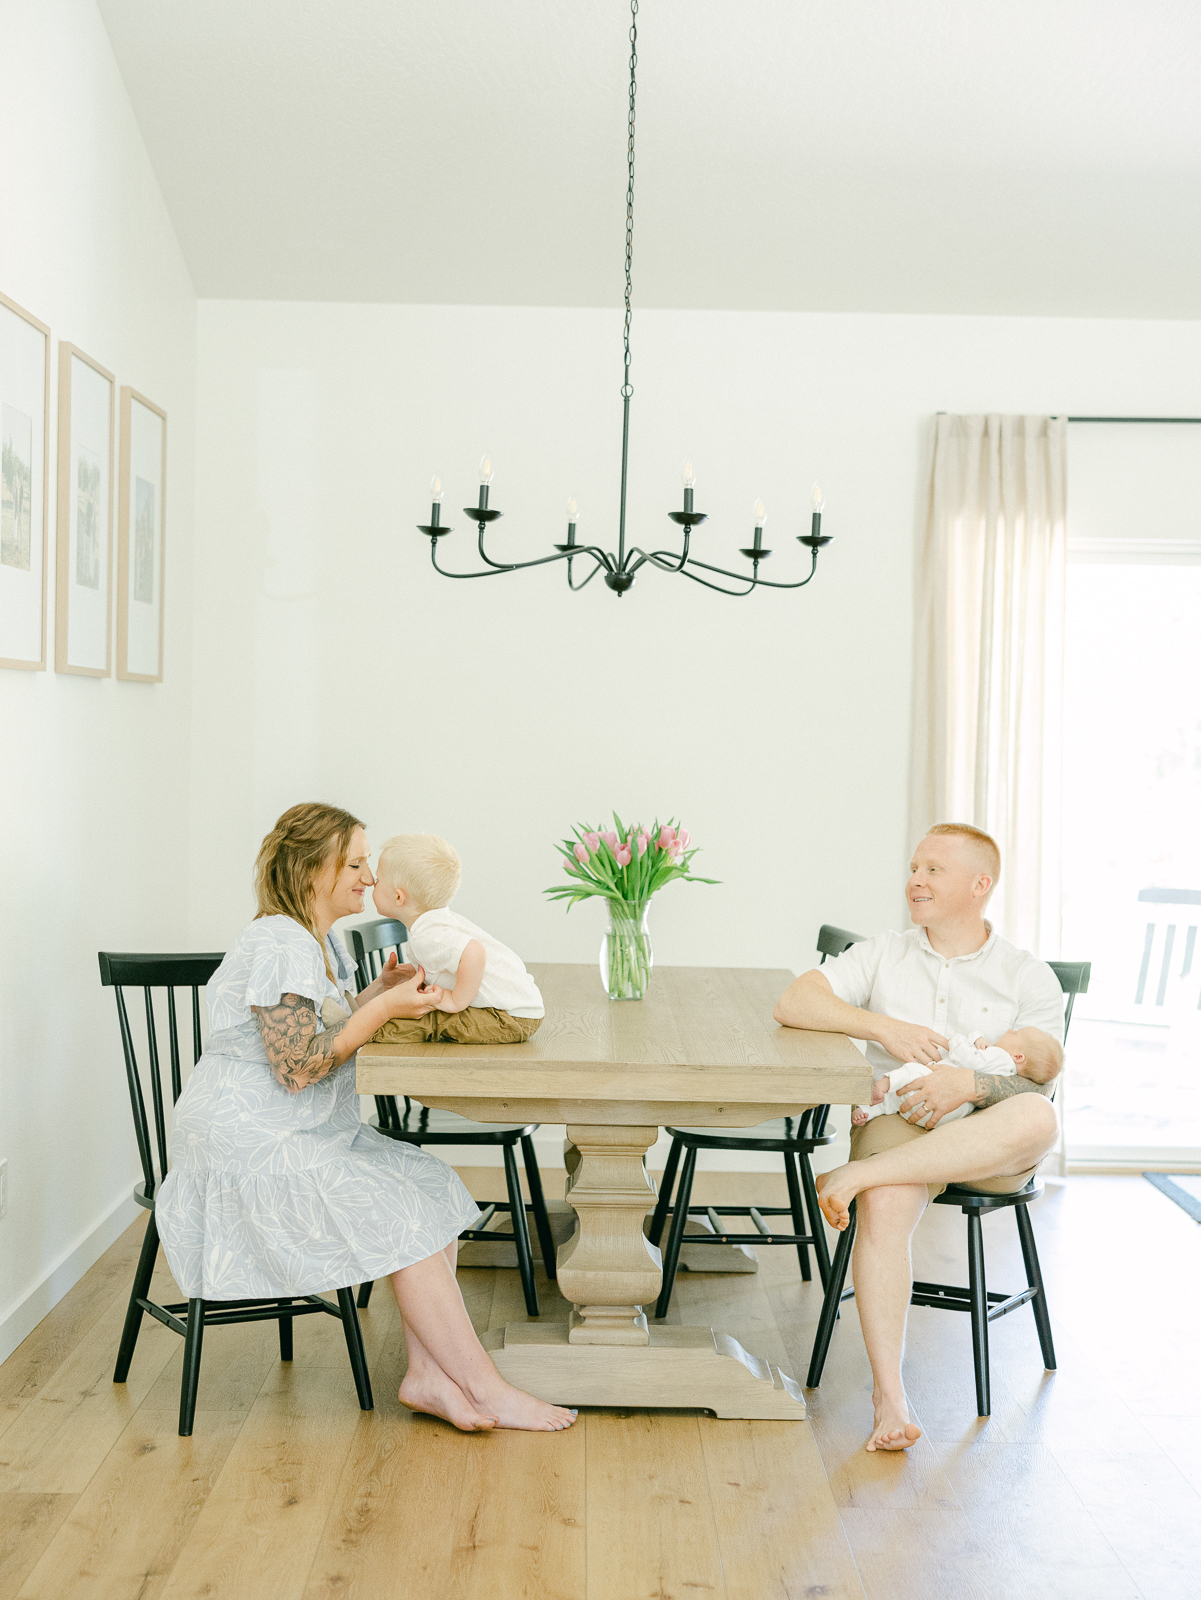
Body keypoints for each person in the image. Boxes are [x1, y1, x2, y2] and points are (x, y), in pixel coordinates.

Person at [156, 802, 576, 1433]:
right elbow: (297, 1066)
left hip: (299, 1135)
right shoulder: (278, 942)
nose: (366, 873)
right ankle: (485, 1387)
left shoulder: (308, 940)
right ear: (310, 871)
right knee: (402, 1211)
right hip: (251, 1150)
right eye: (354, 862)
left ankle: (429, 1376)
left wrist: (376, 995)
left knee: (431, 1187)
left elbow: (315, 1026)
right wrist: (381, 1013)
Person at [773, 823, 1061, 1453]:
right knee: (886, 1202)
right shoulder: (883, 952)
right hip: (901, 1121)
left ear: (980, 885)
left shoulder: (1025, 973)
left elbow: (1044, 1070)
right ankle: (890, 1398)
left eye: (934, 869)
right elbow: (795, 1001)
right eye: (914, 867)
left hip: (989, 1133)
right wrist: (885, 1029)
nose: (915, 880)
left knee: (1042, 1118)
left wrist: (970, 1083)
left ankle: (851, 1177)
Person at [370, 832, 544, 1045]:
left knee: (434, 1019)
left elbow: (474, 952)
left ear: (398, 897)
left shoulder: (427, 935)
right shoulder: (436, 923)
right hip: (518, 1008)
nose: (371, 882)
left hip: (509, 1017)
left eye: (378, 879)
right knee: (431, 1010)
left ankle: (366, 1030)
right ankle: (361, 1022)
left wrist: (455, 1001)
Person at [852, 1025, 1063, 1127]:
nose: (1008, 1030)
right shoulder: (1007, 1071)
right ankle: (873, 1112)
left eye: (1014, 1034)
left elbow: (968, 1060)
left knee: (912, 1072)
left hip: (927, 1097)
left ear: (1018, 1056)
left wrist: (959, 1040)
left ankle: (880, 1088)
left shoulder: (1001, 1057)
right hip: (943, 1116)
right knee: (903, 1099)